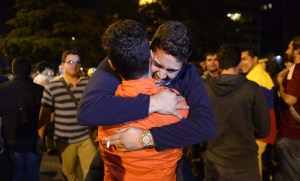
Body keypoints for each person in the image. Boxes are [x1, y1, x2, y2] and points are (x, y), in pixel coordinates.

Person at [98, 19, 189, 180]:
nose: (161, 75)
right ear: (150, 55)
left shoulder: (102, 106)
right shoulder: (179, 104)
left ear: (111, 64)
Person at [204, 44, 270, 180]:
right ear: (239, 63)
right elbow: (263, 129)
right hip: (245, 163)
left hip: (215, 160)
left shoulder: (205, 89)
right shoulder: (252, 89)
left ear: (219, 62)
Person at [38, 50, 96, 180]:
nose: (74, 65)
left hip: (86, 137)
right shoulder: (52, 86)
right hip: (64, 139)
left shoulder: (88, 84)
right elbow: (45, 114)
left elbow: (96, 107)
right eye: (70, 62)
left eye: (77, 62)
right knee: (69, 175)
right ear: (63, 64)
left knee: (92, 173)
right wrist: (40, 137)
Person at [0, 57, 44, 181]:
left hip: (12, 141)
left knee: (16, 172)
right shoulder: (38, 90)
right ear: (30, 70)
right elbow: (44, 117)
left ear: (13, 70)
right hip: (33, 140)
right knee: (33, 174)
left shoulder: (3, 89)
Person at [239, 47, 277, 177]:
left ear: (255, 59)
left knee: (253, 169)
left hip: (260, 132)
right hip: (263, 131)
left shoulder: (255, 77)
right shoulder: (258, 75)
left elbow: (251, 108)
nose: (241, 63)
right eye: (239, 60)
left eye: (244, 59)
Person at [276, 35, 300, 180]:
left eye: (290, 48)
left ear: (297, 51)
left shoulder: (295, 70)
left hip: (292, 134)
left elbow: (290, 99)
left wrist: (280, 84)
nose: (286, 51)